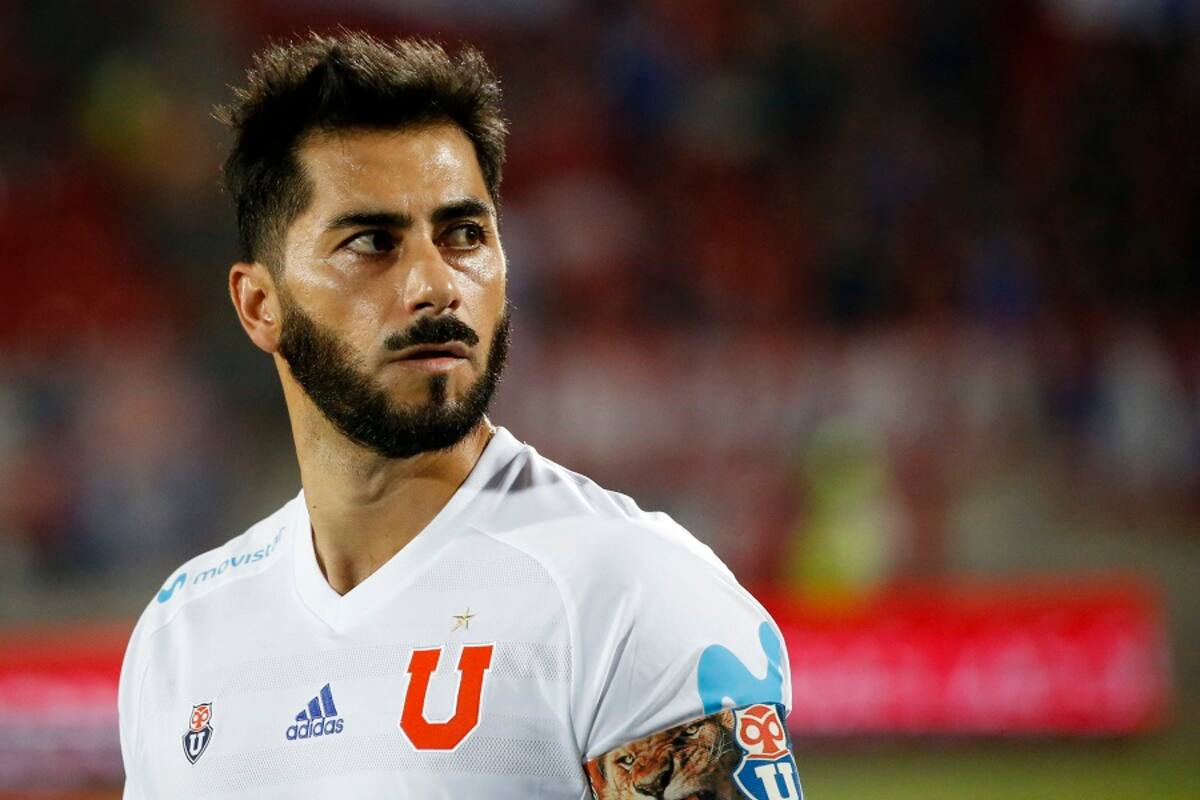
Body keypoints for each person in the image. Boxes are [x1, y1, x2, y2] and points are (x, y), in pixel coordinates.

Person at [118, 31, 800, 799]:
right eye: (372, 242)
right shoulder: (183, 633)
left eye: (464, 235)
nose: (436, 285)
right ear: (259, 304)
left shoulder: (631, 591)